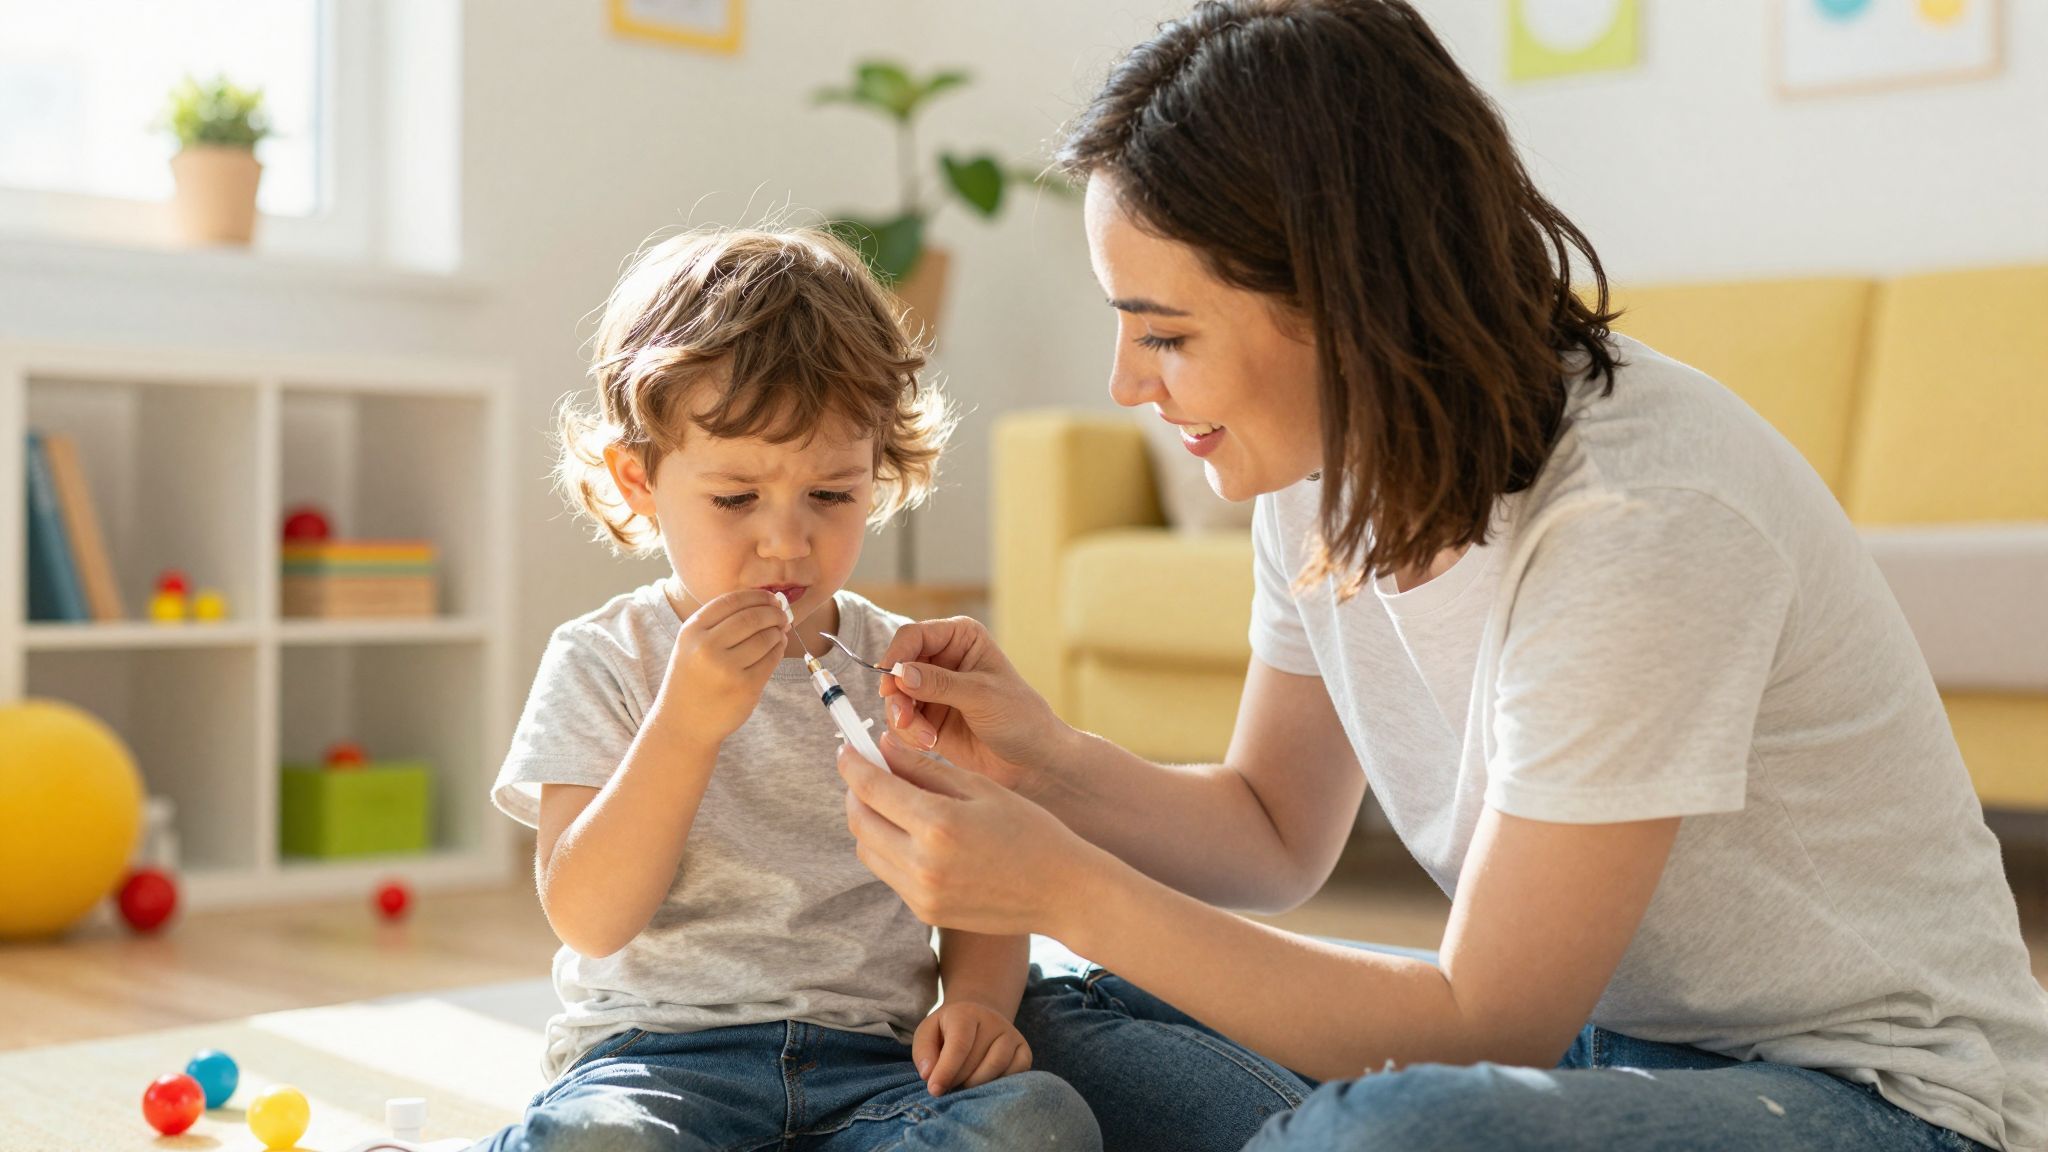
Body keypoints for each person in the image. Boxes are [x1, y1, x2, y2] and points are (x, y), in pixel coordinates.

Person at [832, 3, 2048, 1150]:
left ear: (1338, 296)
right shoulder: (1314, 465)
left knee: (1399, 1129)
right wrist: (1043, 762)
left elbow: (1484, 1026)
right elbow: (1271, 830)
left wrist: (1067, 884)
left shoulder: (1642, 518)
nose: (1126, 384)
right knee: (1039, 1007)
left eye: (1165, 333)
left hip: (1874, 1098)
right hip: (1594, 1051)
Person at [473, 227, 1099, 1152]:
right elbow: (589, 916)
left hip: (876, 1074)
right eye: (735, 500)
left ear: (878, 473)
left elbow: (983, 874)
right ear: (638, 481)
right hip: (661, 1066)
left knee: (1040, 1123)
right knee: (594, 1142)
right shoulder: (608, 659)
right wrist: (683, 729)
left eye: (833, 496)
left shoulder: (905, 667)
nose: (787, 543)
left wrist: (974, 1006)